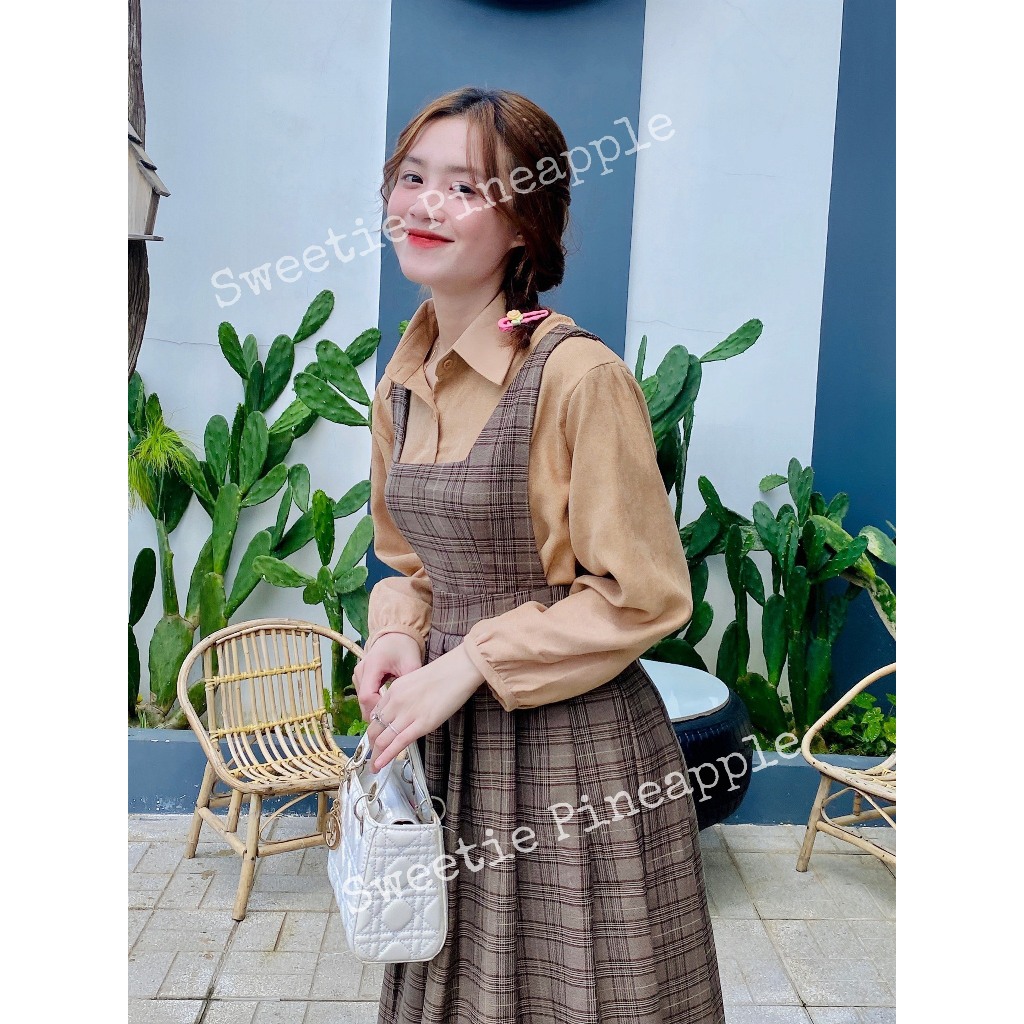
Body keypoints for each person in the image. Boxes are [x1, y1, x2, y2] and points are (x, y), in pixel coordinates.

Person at [353, 86, 725, 1024]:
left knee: (580, 993)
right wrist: (398, 633)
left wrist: (469, 661)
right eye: (412, 178)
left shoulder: (577, 377)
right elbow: (412, 559)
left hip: (574, 759)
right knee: (455, 987)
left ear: (523, 223)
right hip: (448, 746)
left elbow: (643, 595)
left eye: (464, 187)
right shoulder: (402, 380)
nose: (425, 205)